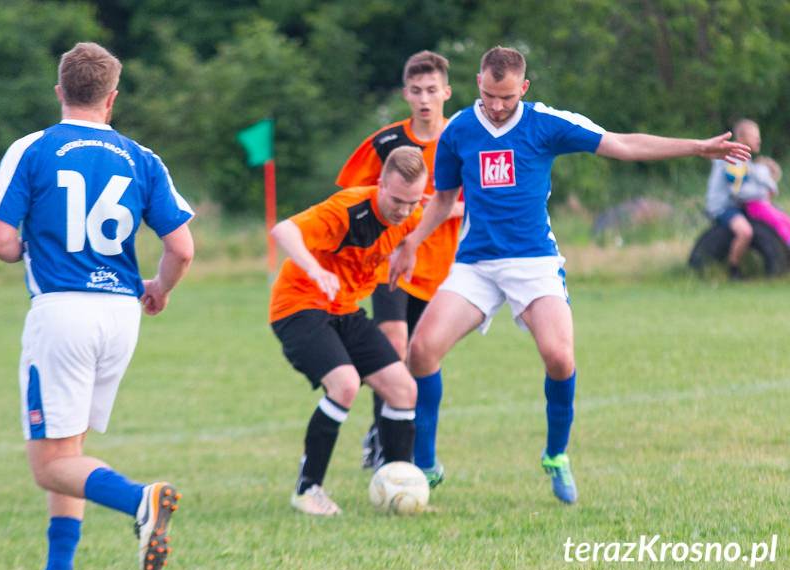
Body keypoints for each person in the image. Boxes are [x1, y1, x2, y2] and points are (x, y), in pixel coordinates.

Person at [389, 46, 751, 505]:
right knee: (420, 351)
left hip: (535, 262)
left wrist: (697, 147)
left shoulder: (546, 123)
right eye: (488, 95)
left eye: (506, 97)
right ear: (477, 81)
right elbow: (442, 199)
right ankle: (426, 465)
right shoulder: (459, 129)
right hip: (477, 263)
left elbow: (622, 144)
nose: (497, 106)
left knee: (559, 358)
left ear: (523, 88)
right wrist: (412, 243)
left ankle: (556, 454)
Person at [0, 43, 194, 570]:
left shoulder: (33, 148)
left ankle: (139, 499)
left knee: (49, 467)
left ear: (60, 91)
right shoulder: (143, 158)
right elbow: (182, 248)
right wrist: (160, 288)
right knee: (68, 451)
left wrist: (34, 246)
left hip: (63, 313)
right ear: (111, 98)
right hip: (121, 314)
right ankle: (60, 568)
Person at [270, 146, 426, 516]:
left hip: (345, 310)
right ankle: (308, 490)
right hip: (299, 307)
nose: (404, 210)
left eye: (412, 201)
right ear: (381, 184)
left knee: (403, 389)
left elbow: (435, 209)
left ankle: (397, 485)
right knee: (345, 384)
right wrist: (315, 269)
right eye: (398, 200)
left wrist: (410, 248)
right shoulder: (348, 209)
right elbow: (284, 230)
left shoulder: (412, 213)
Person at [336, 50, 460, 482]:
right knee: (392, 348)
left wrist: (443, 209)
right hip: (389, 263)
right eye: (416, 91)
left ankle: (418, 448)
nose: (424, 99)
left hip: (442, 271)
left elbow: (483, 198)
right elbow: (351, 195)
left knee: (421, 360)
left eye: (432, 91)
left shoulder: (462, 139)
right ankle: (382, 438)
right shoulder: (387, 142)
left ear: (446, 92)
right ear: (405, 93)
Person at [704, 119, 773, 278]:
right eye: (755, 135)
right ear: (741, 138)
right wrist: (763, 193)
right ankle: (733, 269)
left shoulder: (743, 158)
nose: (759, 140)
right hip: (723, 207)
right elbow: (737, 191)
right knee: (745, 232)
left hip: (735, 205)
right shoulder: (732, 158)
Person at [743, 155, 788, 244]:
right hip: (756, 206)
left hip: (762, 205)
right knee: (778, 222)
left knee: (785, 219)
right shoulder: (759, 172)